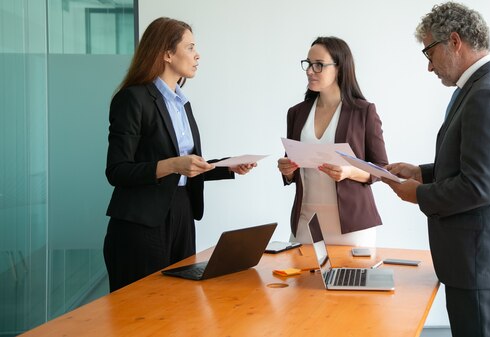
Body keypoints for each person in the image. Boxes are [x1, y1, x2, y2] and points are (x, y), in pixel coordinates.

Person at [383, 2, 490, 337]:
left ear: (454, 41)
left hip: (484, 261)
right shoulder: (484, 85)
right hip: (482, 258)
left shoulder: (489, 93)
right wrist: (422, 173)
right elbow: (477, 164)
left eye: (429, 53)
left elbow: (478, 187)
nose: (428, 67)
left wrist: (418, 195)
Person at [103, 17, 255, 292]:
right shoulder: (132, 99)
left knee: (179, 303)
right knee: (141, 311)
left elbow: (188, 165)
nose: (198, 55)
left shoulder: (181, 103)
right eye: (190, 47)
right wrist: (173, 165)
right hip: (142, 223)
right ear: (167, 53)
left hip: (183, 212)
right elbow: (117, 170)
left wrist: (227, 167)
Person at [277, 36, 388, 246]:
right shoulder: (296, 113)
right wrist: (287, 169)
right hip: (305, 223)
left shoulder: (363, 111)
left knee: (349, 279)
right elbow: (292, 166)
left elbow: (382, 168)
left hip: (352, 226)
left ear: (339, 68)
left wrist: (350, 172)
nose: (310, 70)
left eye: (318, 65)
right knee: (301, 279)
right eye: (308, 64)